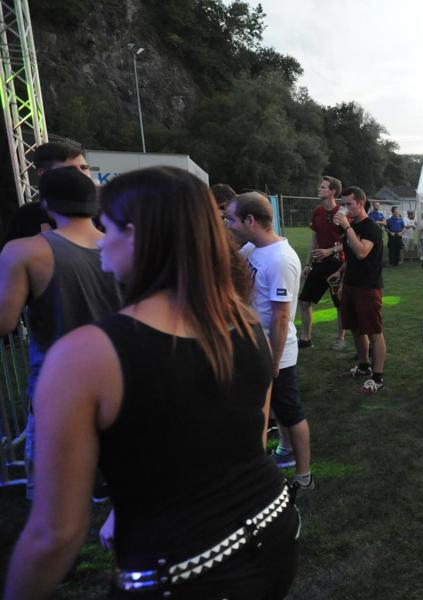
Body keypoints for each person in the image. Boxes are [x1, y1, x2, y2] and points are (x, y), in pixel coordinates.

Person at [4, 166, 298, 598]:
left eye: (106, 227)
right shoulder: (242, 322)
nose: (99, 241)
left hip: (183, 570)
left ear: (135, 235)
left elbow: (54, 535)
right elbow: (237, 440)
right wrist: (129, 504)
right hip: (273, 532)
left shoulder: (83, 356)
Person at [0, 166, 122, 501]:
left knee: (53, 498)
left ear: (46, 205)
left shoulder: (24, 251)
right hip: (119, 379)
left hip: (58, 385)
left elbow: (4, 323)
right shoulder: (123, 246)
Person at [226, 192, 313, 490]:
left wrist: (274, 361)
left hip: (276, 351)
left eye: (231, 219)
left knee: (291, 411)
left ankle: (304, 477)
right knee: (274, 407)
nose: (228, 225)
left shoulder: (280, 259)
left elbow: (280, 316)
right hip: (256, 345)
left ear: (250, 220)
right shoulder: (253, 249)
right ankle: (285, 451)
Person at [334, 187, 388, 394]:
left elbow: (361, 253)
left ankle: (378, 377)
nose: (345, 208)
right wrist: (342, 279)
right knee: (355, 328)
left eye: (349, 204)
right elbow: (350, 257)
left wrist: (347, 227)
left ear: (361, 203)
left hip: (368, 286)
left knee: (374, 331)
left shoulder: (371, 228)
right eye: (343, 204)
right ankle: (364, 366)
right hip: (351, 285)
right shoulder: (352, 226)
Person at [2, 142, 91, 248]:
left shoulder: (104, 209)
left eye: (84, 167)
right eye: (70, 169)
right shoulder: (26, 215)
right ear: (43, 173)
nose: (81, 174)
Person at [298, 176, 346, 350]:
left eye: (323, 187)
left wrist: (330, 250)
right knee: (304, 301)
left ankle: (341, 338)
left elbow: (350, 241)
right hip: (319, 264)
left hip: (337, 266)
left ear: (333, 191)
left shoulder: (343, 212)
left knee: (339, 304)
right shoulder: (317, 211)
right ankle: (306, 338)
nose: (319, 189)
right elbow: (314, 239)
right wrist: (308, 264)